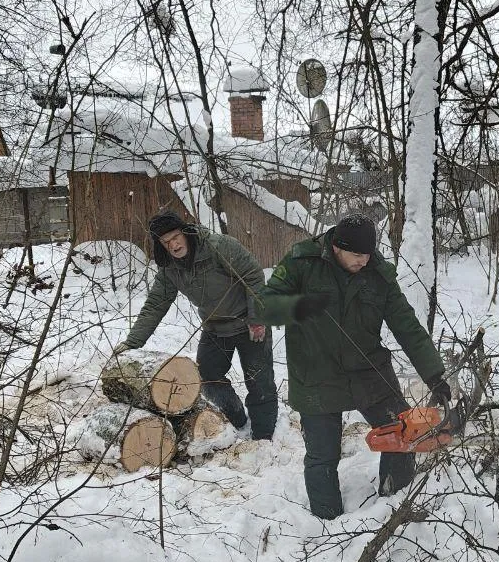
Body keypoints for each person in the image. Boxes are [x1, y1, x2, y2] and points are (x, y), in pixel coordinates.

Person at [260, 215, 451, 519]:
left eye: (368, 254)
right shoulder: (302, 261)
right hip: (314, 373)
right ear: (336, 246)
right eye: (356, 255)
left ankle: (393, 508)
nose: (364, 261)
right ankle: (327, 524)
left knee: (403, 435)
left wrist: (435, 376)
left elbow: (408, 326)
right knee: (323, 455)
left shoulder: (377, 273)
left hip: (368, 371)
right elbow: (266, 305)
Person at [115, 210, 277, 440]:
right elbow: (155, 304)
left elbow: (254, 277)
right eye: (165, 242)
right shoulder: (169, 268)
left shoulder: (218, 246)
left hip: (249, 323)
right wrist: (132, 343)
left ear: (185, 232)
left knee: (259, 382)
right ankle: (239, 421)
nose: (173, 245)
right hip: (215, 327)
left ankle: (264, 436)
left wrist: (257, 318)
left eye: (175, 237)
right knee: (208, 379)